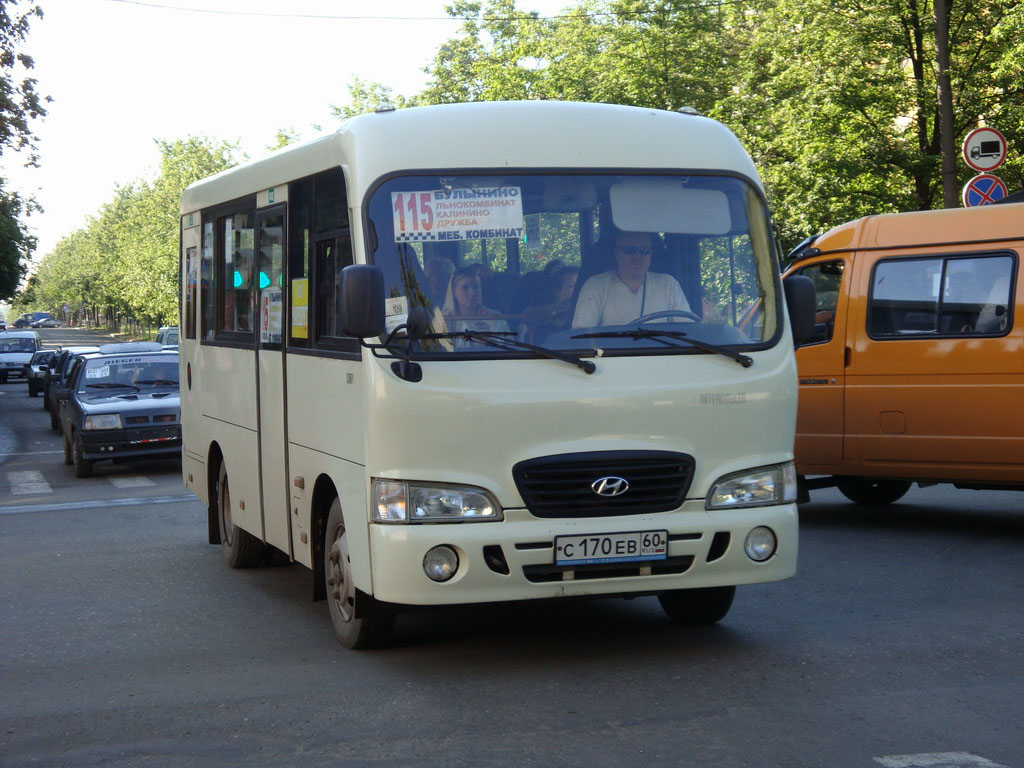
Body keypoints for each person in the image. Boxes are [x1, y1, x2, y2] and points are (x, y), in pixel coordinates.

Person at [571, 231, 690, 328]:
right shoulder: (595, 285)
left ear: (650, 254)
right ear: (617, 254)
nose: (637, 256)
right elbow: (582, 335)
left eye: (644, 251)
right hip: (611, 356)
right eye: (629, 250)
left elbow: (687, 329)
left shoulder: (668, 284)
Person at [441, 266, 511, 348]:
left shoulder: (495, 319)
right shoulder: (444, 322)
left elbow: (509, 350)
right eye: (465, 288)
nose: (472, 292)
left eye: (475, 287)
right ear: (454, 292)